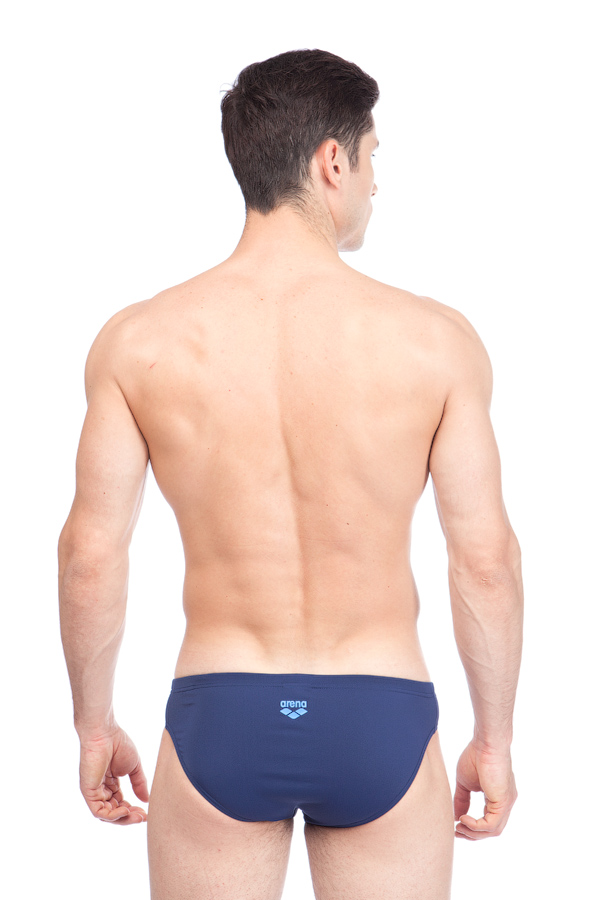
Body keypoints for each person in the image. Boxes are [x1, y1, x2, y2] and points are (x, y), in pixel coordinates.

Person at [58, 48, 524, 900]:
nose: (378, 182)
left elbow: (90, 554)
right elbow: (484, 561)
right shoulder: (436, 342)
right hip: (380, 710)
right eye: (373, 156)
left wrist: (94, 727)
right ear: (331, 161)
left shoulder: (140, 341)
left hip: (219, 711)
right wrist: (494, 741)